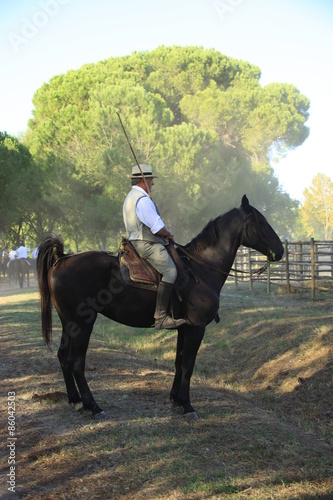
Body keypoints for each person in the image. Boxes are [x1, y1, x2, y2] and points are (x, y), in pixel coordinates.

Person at [123, 164, 186, 330]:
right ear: (144, 180)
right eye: (150, 179)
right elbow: (157, 228)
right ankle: (161, 317)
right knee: (171, 271)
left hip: (136, 241)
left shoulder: (131, 196)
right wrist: (168, 233)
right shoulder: (143, 200)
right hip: (147, 243)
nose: (153, 184)